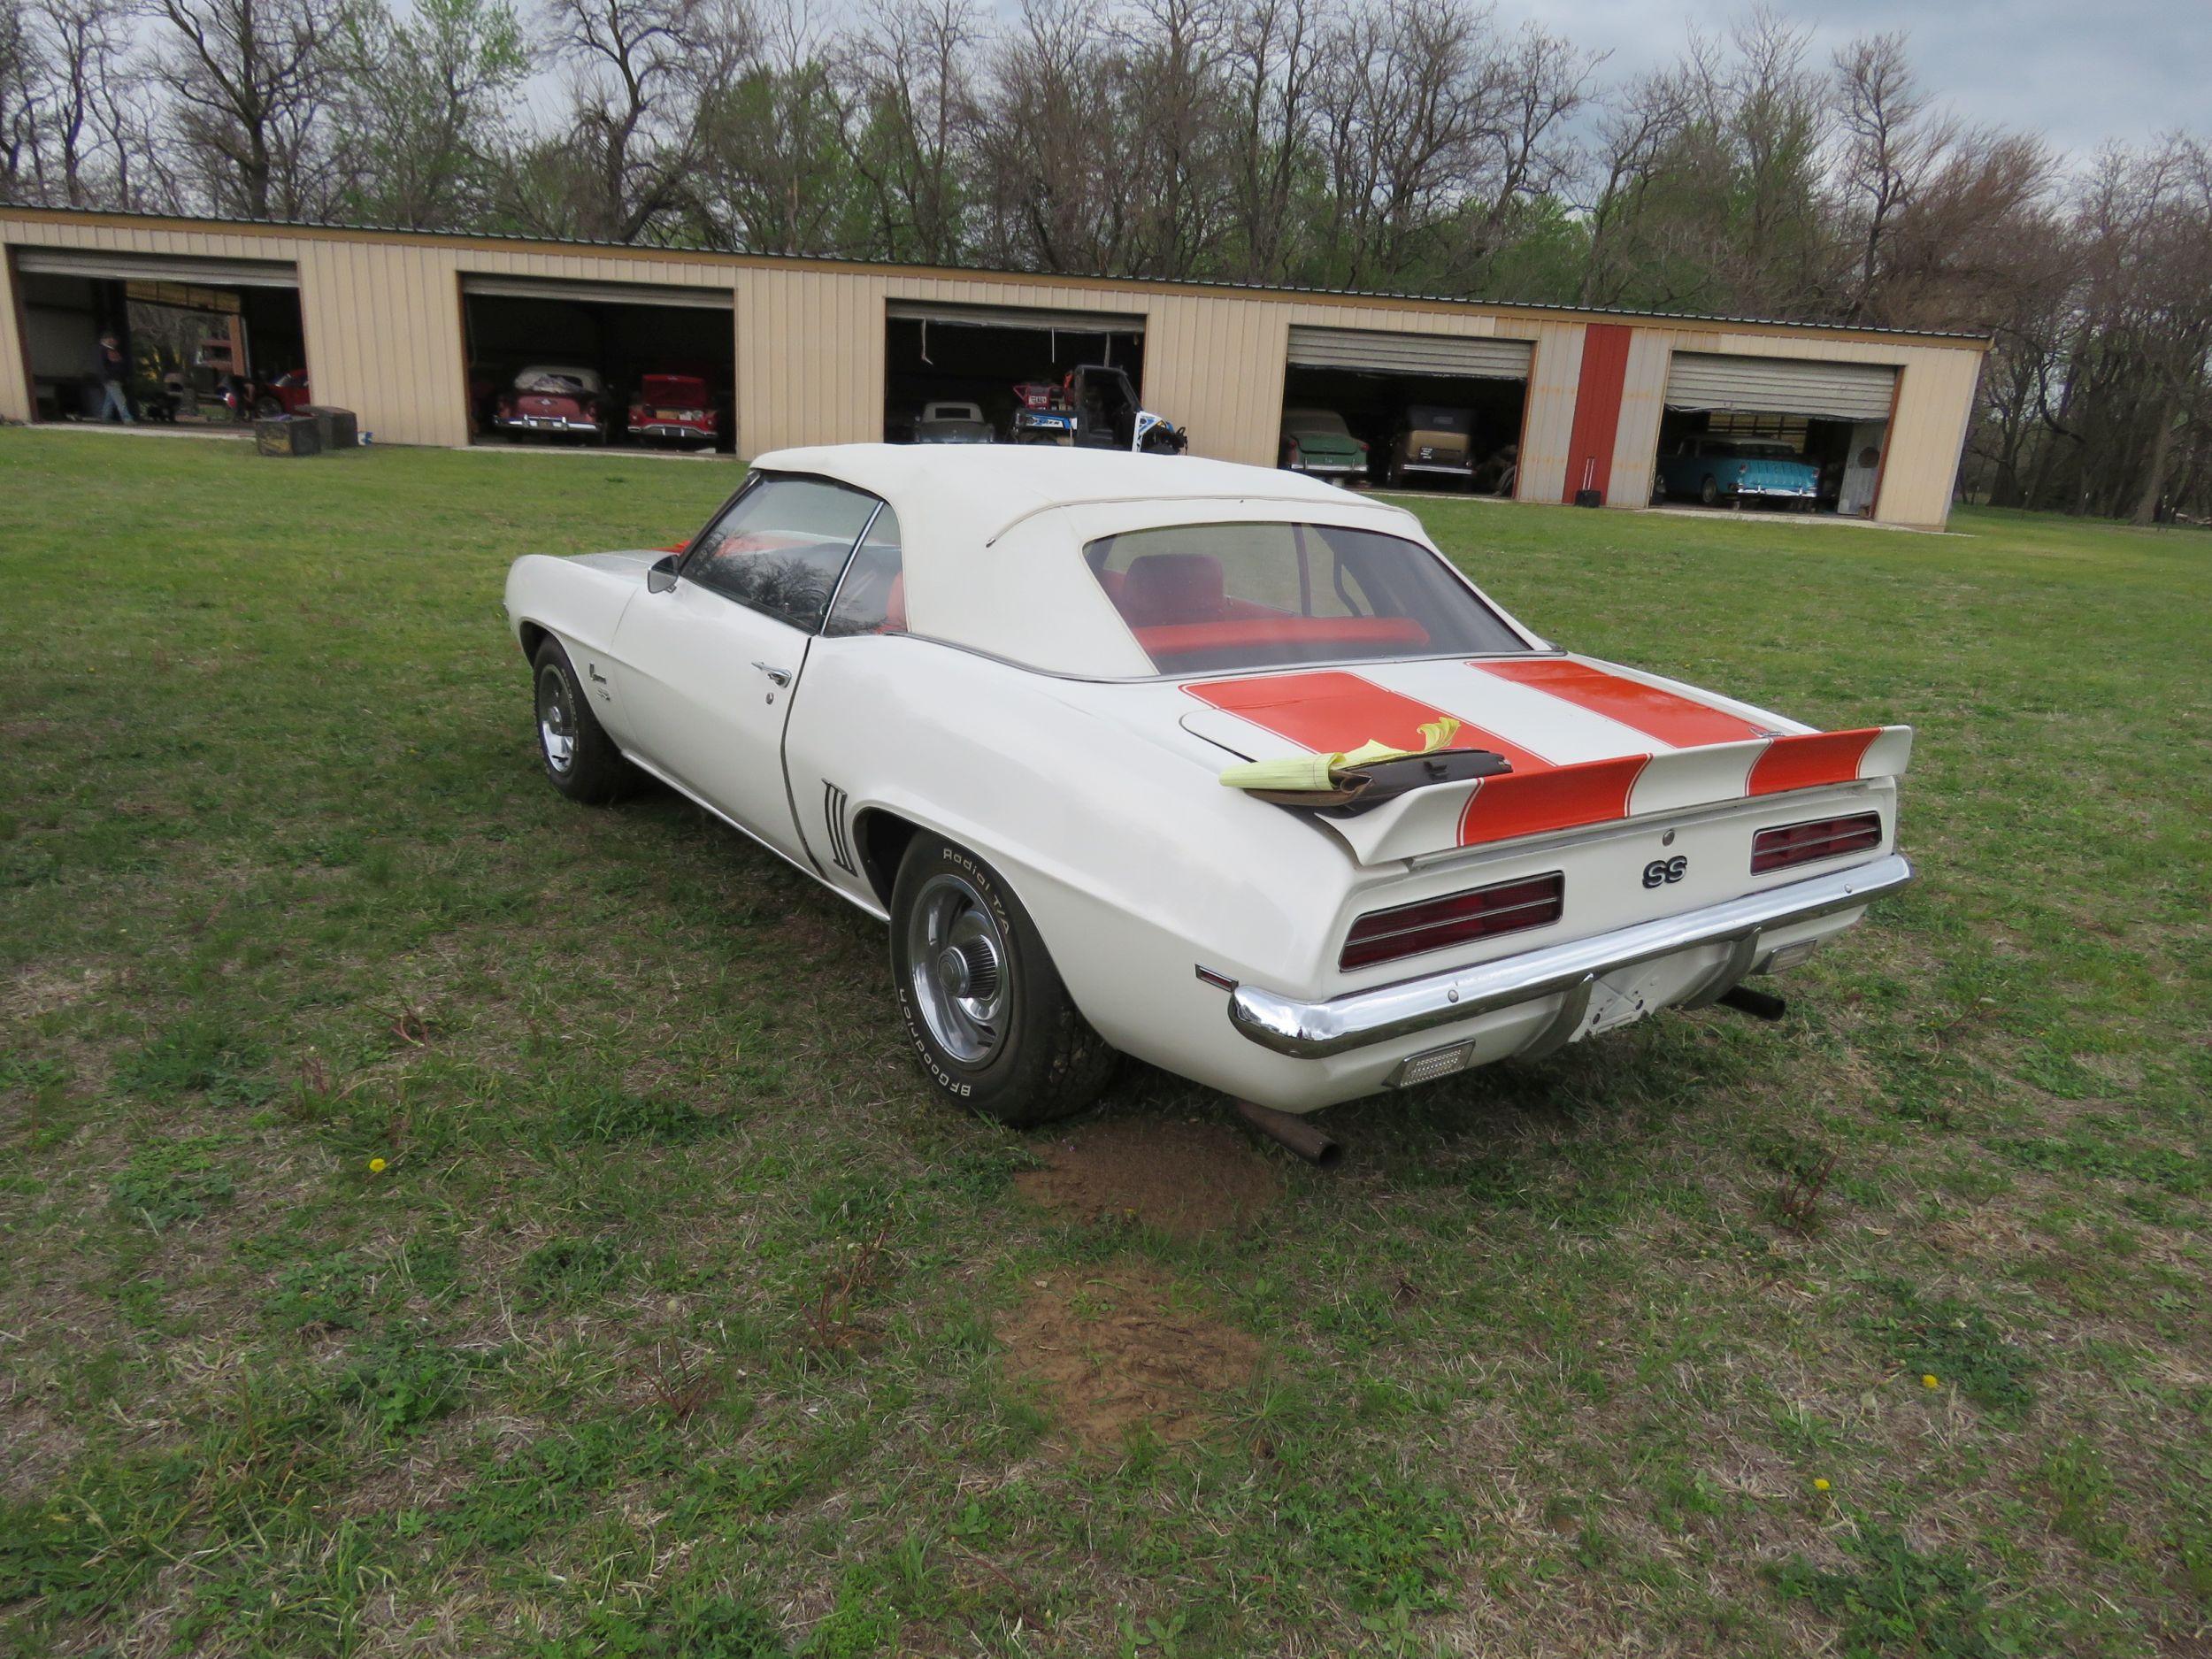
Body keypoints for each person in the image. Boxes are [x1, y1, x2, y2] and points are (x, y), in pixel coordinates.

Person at [90, 333, 134, 424]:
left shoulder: (110, 350)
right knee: (120, 399)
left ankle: (105, 418)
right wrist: (108, 376)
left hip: (113, 378)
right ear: (107, 340)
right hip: (111, 378)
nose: (115, 342)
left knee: (110, 399)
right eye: (112, 340)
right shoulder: (103, 350)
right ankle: (127, 418)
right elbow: (102, 366)